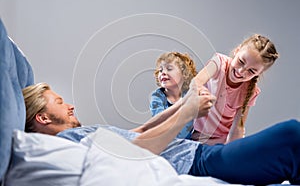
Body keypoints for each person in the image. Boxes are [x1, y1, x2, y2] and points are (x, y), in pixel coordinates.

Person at [23, 82, 300, 185]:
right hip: (197, 164)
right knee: (291, 138)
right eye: (59, 102)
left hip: (199, 155)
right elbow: (133, 153)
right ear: (43, 117)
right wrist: (188, 112)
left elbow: (141, 131)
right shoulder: (66, 143)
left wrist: (183, 102)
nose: (70, 104)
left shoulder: (85, 132)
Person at [191, 34, 279, 145]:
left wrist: (230, 150)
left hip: (220, 139)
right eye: (241, 62)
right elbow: (196, 83)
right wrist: (203, 94)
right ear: (237, 51)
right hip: (193, 130)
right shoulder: (218, 62)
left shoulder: (250, 91)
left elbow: (238, 128)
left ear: (259, 73)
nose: (241, 71)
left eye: (251, 71)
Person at [146, 51, 197, 139]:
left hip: (186, 141)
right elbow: (160, 121)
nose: (163, 72)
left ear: (184, 74)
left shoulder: (189, 96)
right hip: (164, 140)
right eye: (160, 70)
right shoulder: (157, 96)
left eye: (169, 69)